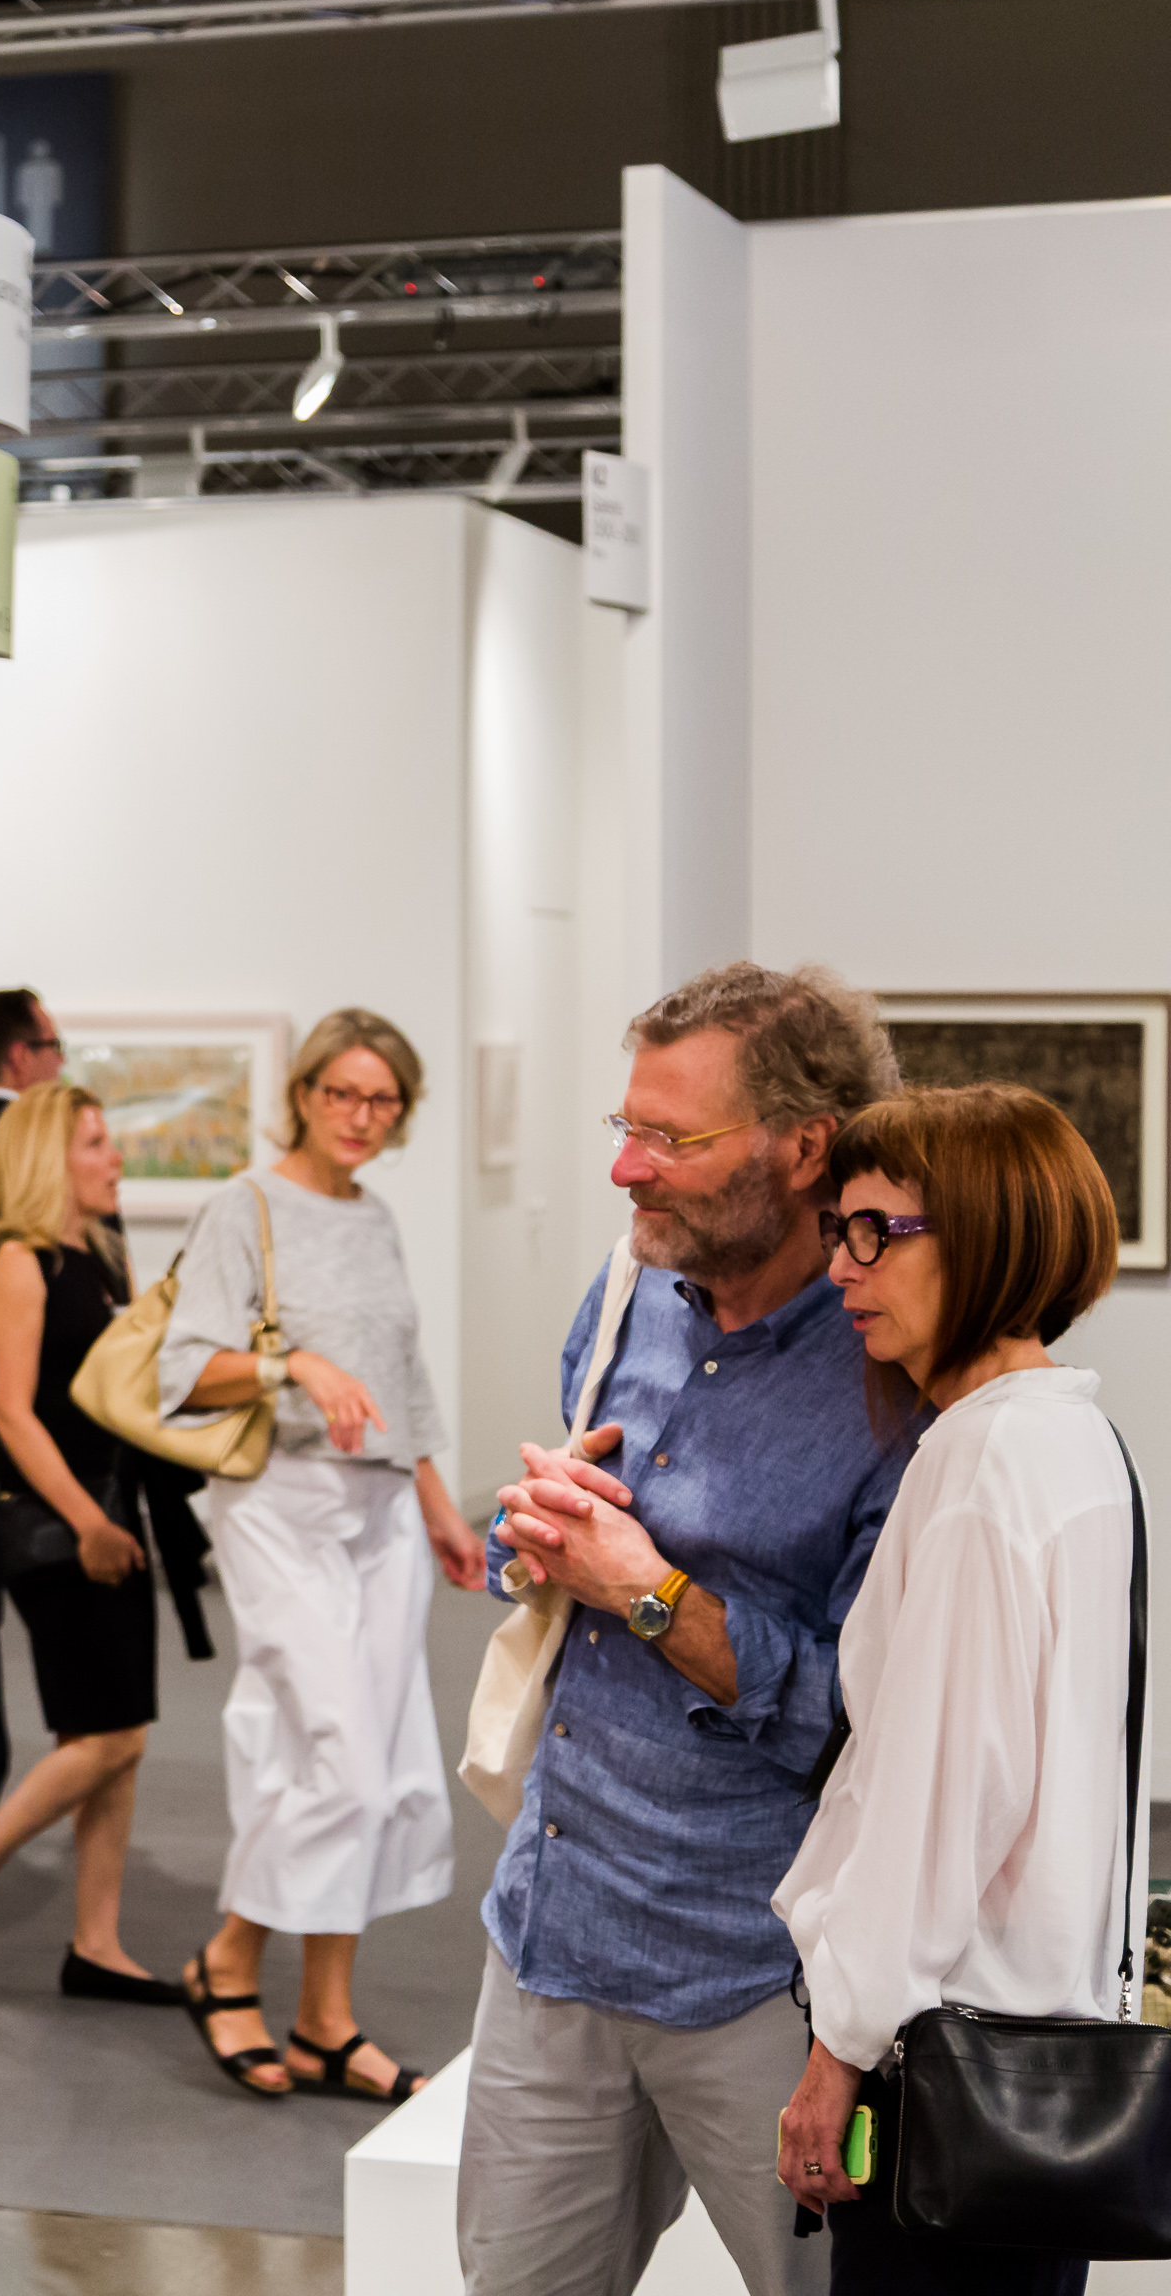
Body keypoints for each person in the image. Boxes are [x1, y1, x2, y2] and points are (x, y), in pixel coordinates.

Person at [464, 962, 909, 2296]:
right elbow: (560, 1564)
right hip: (552, 1930)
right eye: (627, 1127)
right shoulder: (625, 1296)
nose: (627, 1170)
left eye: (671, 1137)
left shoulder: (893, 1373)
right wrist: (534, 1539)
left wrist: (648, 1590)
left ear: (806, 1147)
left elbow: (858, 1727)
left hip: (759, 1977)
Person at [771, 1085, 1131, 2295]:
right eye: (840, 1230)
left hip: (948, 2062)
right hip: (1039, 2051)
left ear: (987, 1236)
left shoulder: (985, 1462)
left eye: (877, 1231)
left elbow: (936, 1802)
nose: (842, 1266)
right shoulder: (1074, 1439)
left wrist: (838, 2053)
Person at [156, 1010, 486, 2100]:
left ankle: (325, 2020)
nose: (360, 1115)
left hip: (383, 1508)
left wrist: (437, 1502)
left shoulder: (375, 1216)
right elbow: (183, 1370)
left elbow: (403, 1375)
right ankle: (228, 1960)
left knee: (377, 1757)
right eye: (341, 1092)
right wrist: (295, 1364)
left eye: (383, 1100)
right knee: (337, 1753)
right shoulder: (243, 1207)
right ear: (302, 1094)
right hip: (278, 1502)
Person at [0, 1082, 191, 2006]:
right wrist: (89, 1522)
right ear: (47, 1158)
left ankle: (97, 1942)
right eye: (94, 1143)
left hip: (110, 1515)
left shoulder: (99, 1254)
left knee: (110, 1733)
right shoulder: (21, 1261)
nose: (114, 1158)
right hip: (61, 1527)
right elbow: (12, 1414)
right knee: (112, 1735)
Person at [0, 987, 65, 1827]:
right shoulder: (39, 1157)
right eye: (55, 1049)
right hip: (33, 1427)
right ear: (23, 1056)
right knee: (67, 1620)